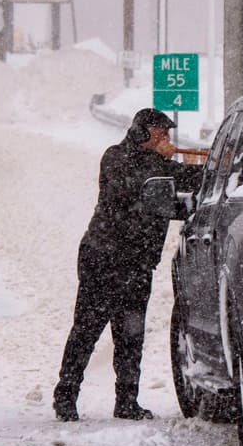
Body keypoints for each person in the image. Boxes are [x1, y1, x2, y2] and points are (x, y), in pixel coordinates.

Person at [53, 108, 204, 422]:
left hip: (136, 264)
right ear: (142, 133)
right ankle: (65, 397)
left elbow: (169, 202)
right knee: (86, 329)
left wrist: (194, 173)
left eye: (168, 135)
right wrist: (176, 166)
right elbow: (146, 182)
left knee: (131, 334)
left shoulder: (159, 170)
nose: (167, 140)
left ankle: (127, 401)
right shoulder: (116, 158)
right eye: (161, 134)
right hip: (103, 257)